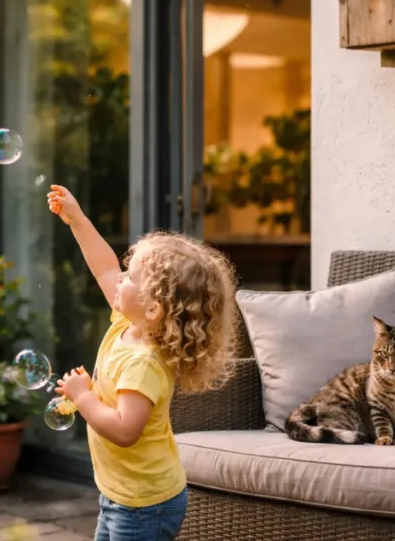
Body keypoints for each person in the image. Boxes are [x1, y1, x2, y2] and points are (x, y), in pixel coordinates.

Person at [48, 184, 238, 541]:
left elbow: (124, 431)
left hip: (143, 506)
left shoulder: (144, 363)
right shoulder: (129, 322)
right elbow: (104, 267)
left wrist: (83, 396)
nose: (119, 278)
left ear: (154, 308)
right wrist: (77, 219)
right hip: (121, 493)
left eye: (130, 277)